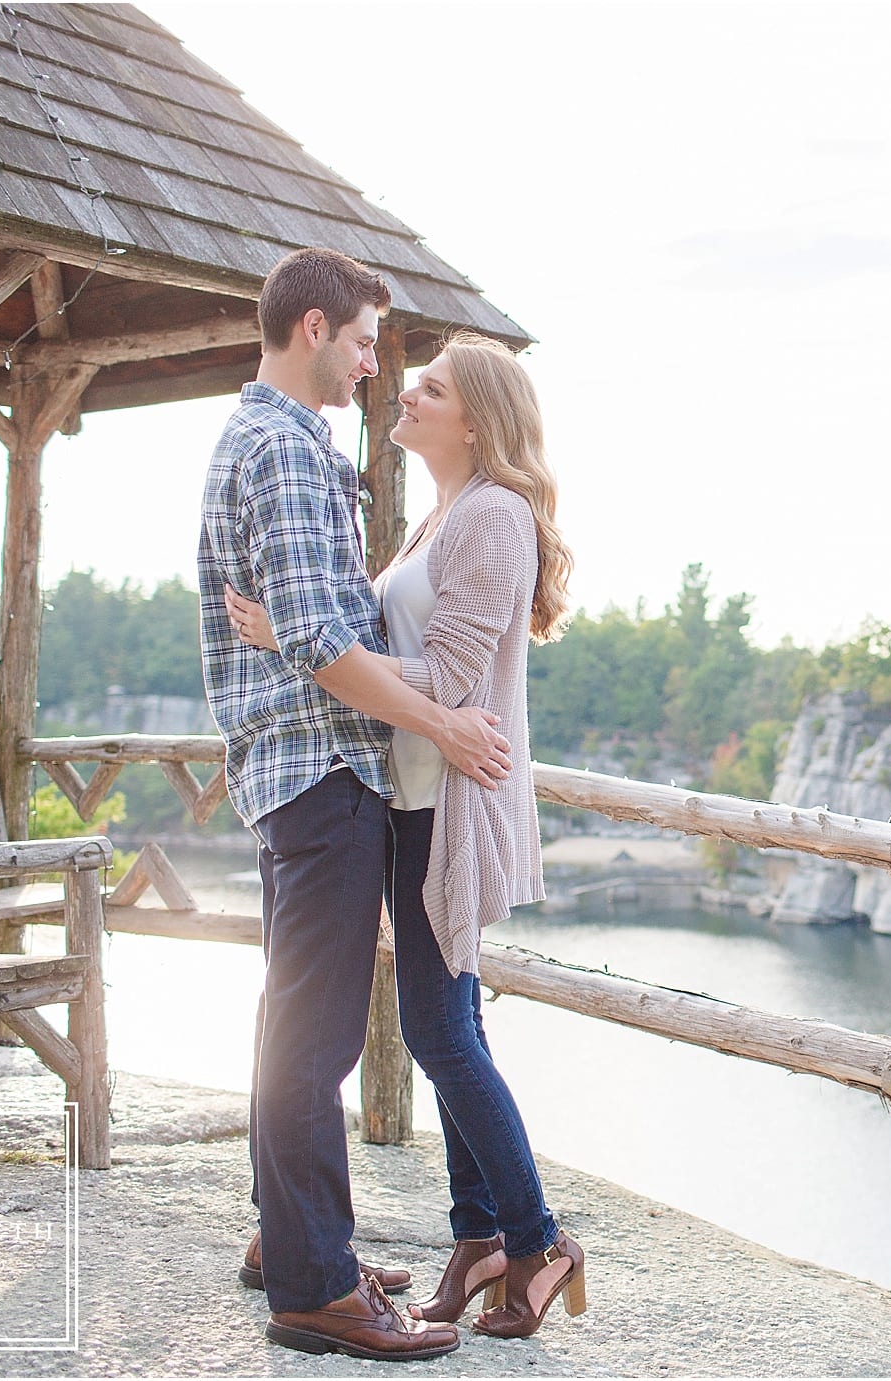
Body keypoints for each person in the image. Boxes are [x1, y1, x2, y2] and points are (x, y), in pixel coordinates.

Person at [224, 332, 586, 1341]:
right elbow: (398, 656)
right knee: (446, 1023)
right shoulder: (440, 517)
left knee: (439, 1030)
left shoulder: (496, 518)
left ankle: (537, 1236)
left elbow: (455, 681)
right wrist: (326, 651)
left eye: (429, 388)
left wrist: (321, 658)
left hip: (450, 810)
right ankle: (479, 1236)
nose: (405, 394)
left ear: (475, 417)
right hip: (410, 800)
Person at [198, 249, 513, 1362]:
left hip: (308, 774)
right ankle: (316, 1289)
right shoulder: (284, 448)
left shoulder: (282, 442)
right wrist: (444, 724)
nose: (378, 368)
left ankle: (288, 1239)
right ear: (318, 327)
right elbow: (333, 645)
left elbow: (320, 628)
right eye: (370, 343)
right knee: (315, 1033)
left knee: (296, 1020)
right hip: (323, 771)